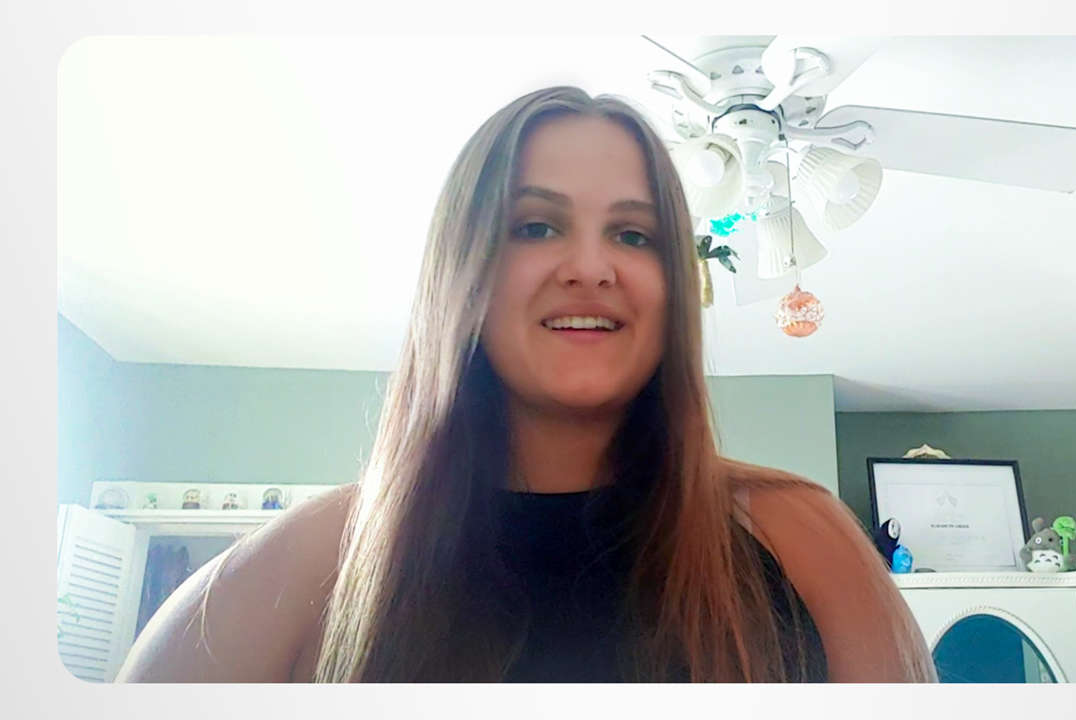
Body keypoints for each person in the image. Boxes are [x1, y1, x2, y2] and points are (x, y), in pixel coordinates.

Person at [115, 86, 937, 683]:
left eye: (633, 234)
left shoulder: (803, 539)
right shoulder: (306, 563)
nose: (591, 267)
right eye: (536, 226)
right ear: (464, 273)